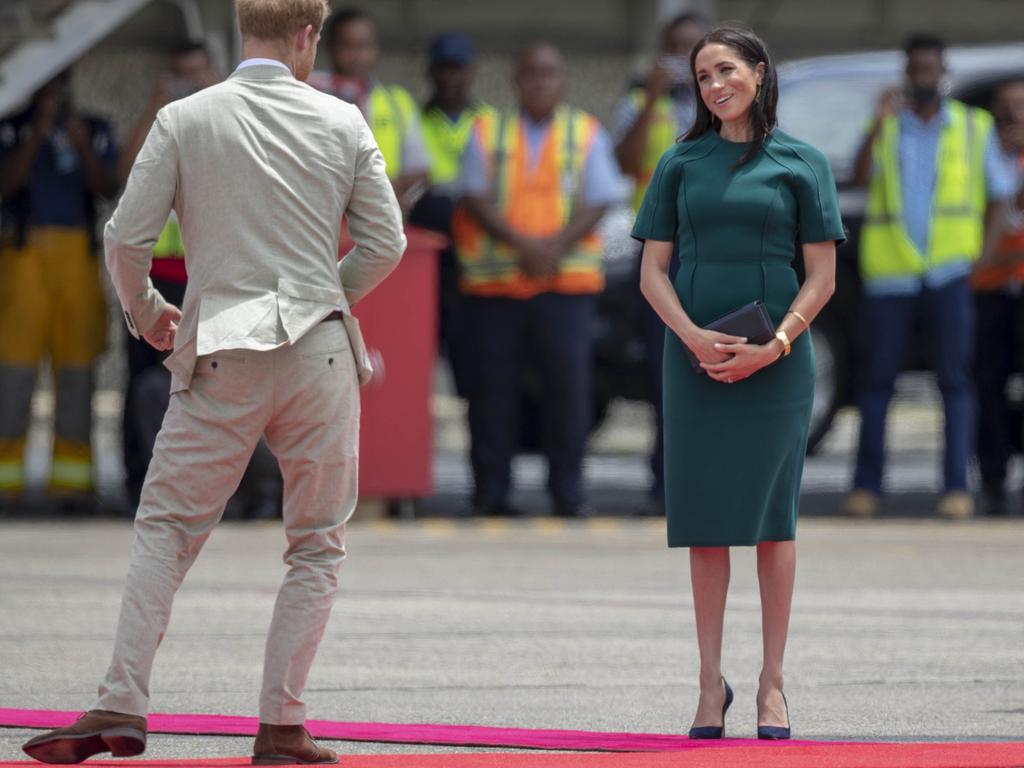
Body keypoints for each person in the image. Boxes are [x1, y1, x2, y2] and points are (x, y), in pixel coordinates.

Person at [21, 0, 405, 763]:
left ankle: (120, 702)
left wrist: (151, 312)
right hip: (319, 351)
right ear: (308, 35)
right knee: (316, 545)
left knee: (166, 530)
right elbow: (386, 242)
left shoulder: (185, 118)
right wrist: (325, 294)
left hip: (221, 347)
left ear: (242, 32)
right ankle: (282, 725)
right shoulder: (343, 120)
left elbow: (124, 237)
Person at [633, 25, 842, 739]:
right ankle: (706, 681)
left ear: (758, 72)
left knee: (773, 526)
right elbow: (652, 270)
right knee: (705, 526)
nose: (714, 85)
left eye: (726, 69)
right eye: (701, 77)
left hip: (776, 365)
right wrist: (691, 336)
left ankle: (772, 685)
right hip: (694, 361)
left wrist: (775, 344)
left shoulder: (802, 162)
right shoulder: (680, 163)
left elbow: (822, 276)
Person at [843, 34, 1017, 520]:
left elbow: (1001, 194)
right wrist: (876, 127)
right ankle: (866, 486)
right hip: (891, 273)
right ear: (905, 74)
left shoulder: (971, 126)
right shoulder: (888, 126)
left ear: (943, 74)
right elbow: (859, 178)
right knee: (876, 382)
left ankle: (956, 487)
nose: (923, 78)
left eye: (930, 70)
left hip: (949, 272)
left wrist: (981, 258)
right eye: (915, 70)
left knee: (955, 381)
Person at [453, 41, 622, 518]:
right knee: (491, 394)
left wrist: (552, 248)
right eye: (531, 73)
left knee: (568, 393)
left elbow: (599, 199)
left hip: (564, 289)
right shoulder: (487, 129)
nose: (540, 82)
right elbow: (475, 195)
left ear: (562, 79)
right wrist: (527, 247)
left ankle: (568, 494)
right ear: (515, 79)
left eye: (549, 73)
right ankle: (491, 493)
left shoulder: (584, 131)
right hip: (496, 288)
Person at [117, 43, 282, 519]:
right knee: (150, 385)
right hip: (159, 281)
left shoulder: (234, 120)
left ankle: (249, 492)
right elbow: (121, 180)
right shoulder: (164, 123)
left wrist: (218, 102)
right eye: (181, 77)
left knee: (231, 382)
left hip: (219, 276)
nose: (191, 87)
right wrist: (155, 107)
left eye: (198, 76)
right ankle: (149, 487)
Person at [0, 70, 118, 514]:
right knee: (11, 373)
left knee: (76, 371)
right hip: (22, 256)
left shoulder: (93, 127)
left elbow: (108, 187)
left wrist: (79, 142)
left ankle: (72, 485)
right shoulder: (10, 127)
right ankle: (5, 483)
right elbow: (5, 185)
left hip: (79, 260)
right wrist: (36, 135)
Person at [612, 11, 709, 513]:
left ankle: (711, 480)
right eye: (677, 50)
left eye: (695, 50)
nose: (685, 62)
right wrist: (651, 97)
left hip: (717, 256)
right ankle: (666, 484)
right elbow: (624, 163)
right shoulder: (639, 104)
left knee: (719, 369)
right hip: (660, 256)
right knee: (665, 370)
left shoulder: (733, 104)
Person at [409, 32, 494, 399]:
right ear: (430, 72)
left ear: (470, 72)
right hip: (422, 252)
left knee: (471, 353)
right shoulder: (413, 121)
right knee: (415, 347)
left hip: (473, 252)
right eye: (443, 69)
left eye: (457, 69)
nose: (450, 78)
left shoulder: (490, 122)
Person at [308, 7, 430, 213]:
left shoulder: (397, 102)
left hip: (379, 220)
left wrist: (381, 193)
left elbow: (420, 172)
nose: (358, 56)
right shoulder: (309, 96)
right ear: (329, 47)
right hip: (321, 220)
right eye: (348, 46)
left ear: (376, 49)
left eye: (365, 46)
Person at [971, 78, 1024, 516]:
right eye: (1005, 109)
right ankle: (993, 480)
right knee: (988, 383)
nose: (1015, 118)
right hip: (987, 286)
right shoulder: (981, 157)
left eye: (1022, 108)